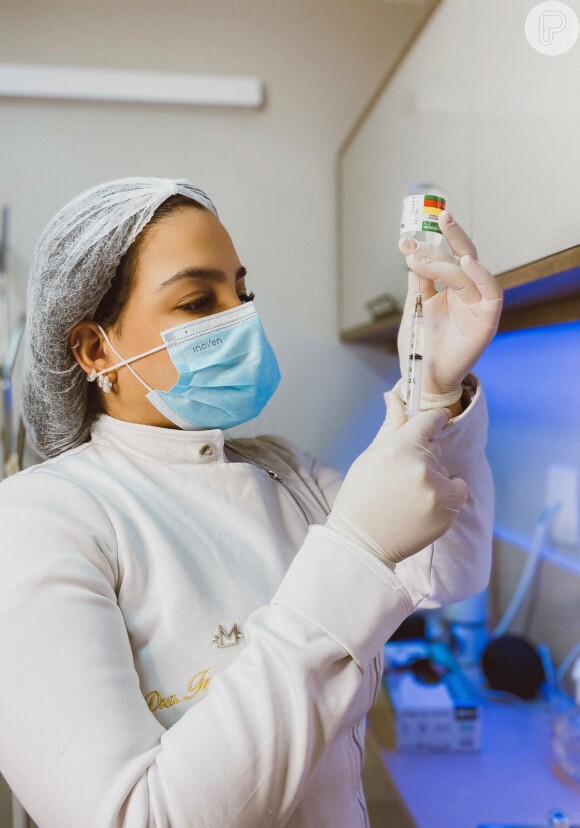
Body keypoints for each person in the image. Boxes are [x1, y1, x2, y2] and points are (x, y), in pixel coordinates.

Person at [0, 176, 502, 827]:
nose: (239, 317)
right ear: (98, 349)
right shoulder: (39, 521)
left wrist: (434, 387)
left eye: (242, 292)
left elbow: (448, 574)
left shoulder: (283, 470)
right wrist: (354, 549)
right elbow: (134, 817)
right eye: (197, 301)